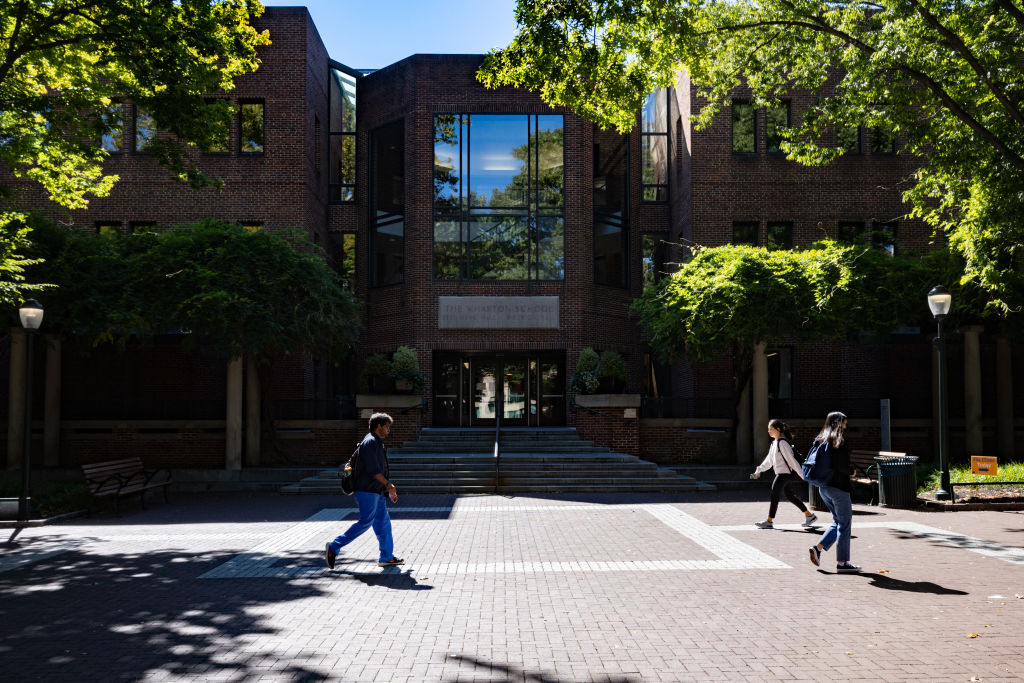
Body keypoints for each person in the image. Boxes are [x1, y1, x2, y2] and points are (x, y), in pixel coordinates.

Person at [325, 412, 404, 568]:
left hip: (376, 491)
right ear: (379, 426)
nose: (389, 430)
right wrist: (389, 485)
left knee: (383, 523)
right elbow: (373, 470)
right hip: (366, 490)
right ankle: (333, 547)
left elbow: (378, 469)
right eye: (387, 426)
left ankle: (386, 557)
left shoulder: (376, 442)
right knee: (366, 522)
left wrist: (387, 489)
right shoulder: (370, 442)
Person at [806, 411, 860, 573]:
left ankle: (818, 548)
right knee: (844, 525)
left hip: (824, 487)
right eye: (844, 422)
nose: (846, 425)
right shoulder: (838, 441)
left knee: (838, 522)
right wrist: (851, 471)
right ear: (839, 423)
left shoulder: (820, 439)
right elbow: (841, 465)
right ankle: (843, 563)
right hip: (838, 488)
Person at [750, 419, 817, 529]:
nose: (769, 431)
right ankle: (809, 516)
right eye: (768, 429)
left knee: (774, 494)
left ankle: (769, 521)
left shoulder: (782, 443)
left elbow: (792, 461)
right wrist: (758, 470)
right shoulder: (774, 443)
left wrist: (803, 475)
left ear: (778, 429)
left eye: (771, 429)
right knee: (789, 496)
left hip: (784, 474)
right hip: (781, 473)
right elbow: (769, 461)